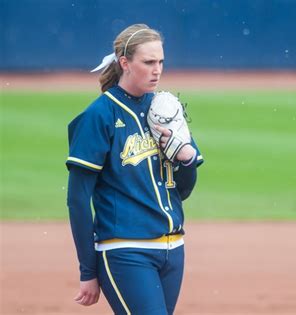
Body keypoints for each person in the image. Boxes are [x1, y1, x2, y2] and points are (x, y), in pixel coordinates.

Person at [66, 23, 203, 314]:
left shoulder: (166, 109)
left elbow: (183, 190)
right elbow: (77, 200)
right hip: (124, 250)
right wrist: (87, 270)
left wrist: (187, 159)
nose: (157, 70)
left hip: (172, 248)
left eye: (161, 62)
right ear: (125, 62)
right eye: (149, 62)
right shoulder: (100, 115)